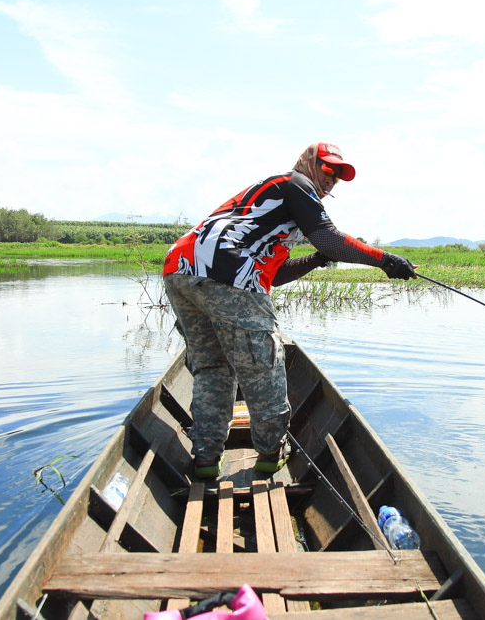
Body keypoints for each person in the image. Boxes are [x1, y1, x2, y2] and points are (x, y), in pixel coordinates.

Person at [163, 142, 417, 478]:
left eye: (338, 176)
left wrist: (313, 260)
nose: (331, 180)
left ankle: (207, 459)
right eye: (328, 169)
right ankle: (271, 451)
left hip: (180, 267)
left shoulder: (281, 205)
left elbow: (276, 274)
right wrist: (384, 260)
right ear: (308, 163)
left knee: (213, 365)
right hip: (226, 266)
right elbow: (331, 239)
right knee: (264, 364)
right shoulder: (297, 184)